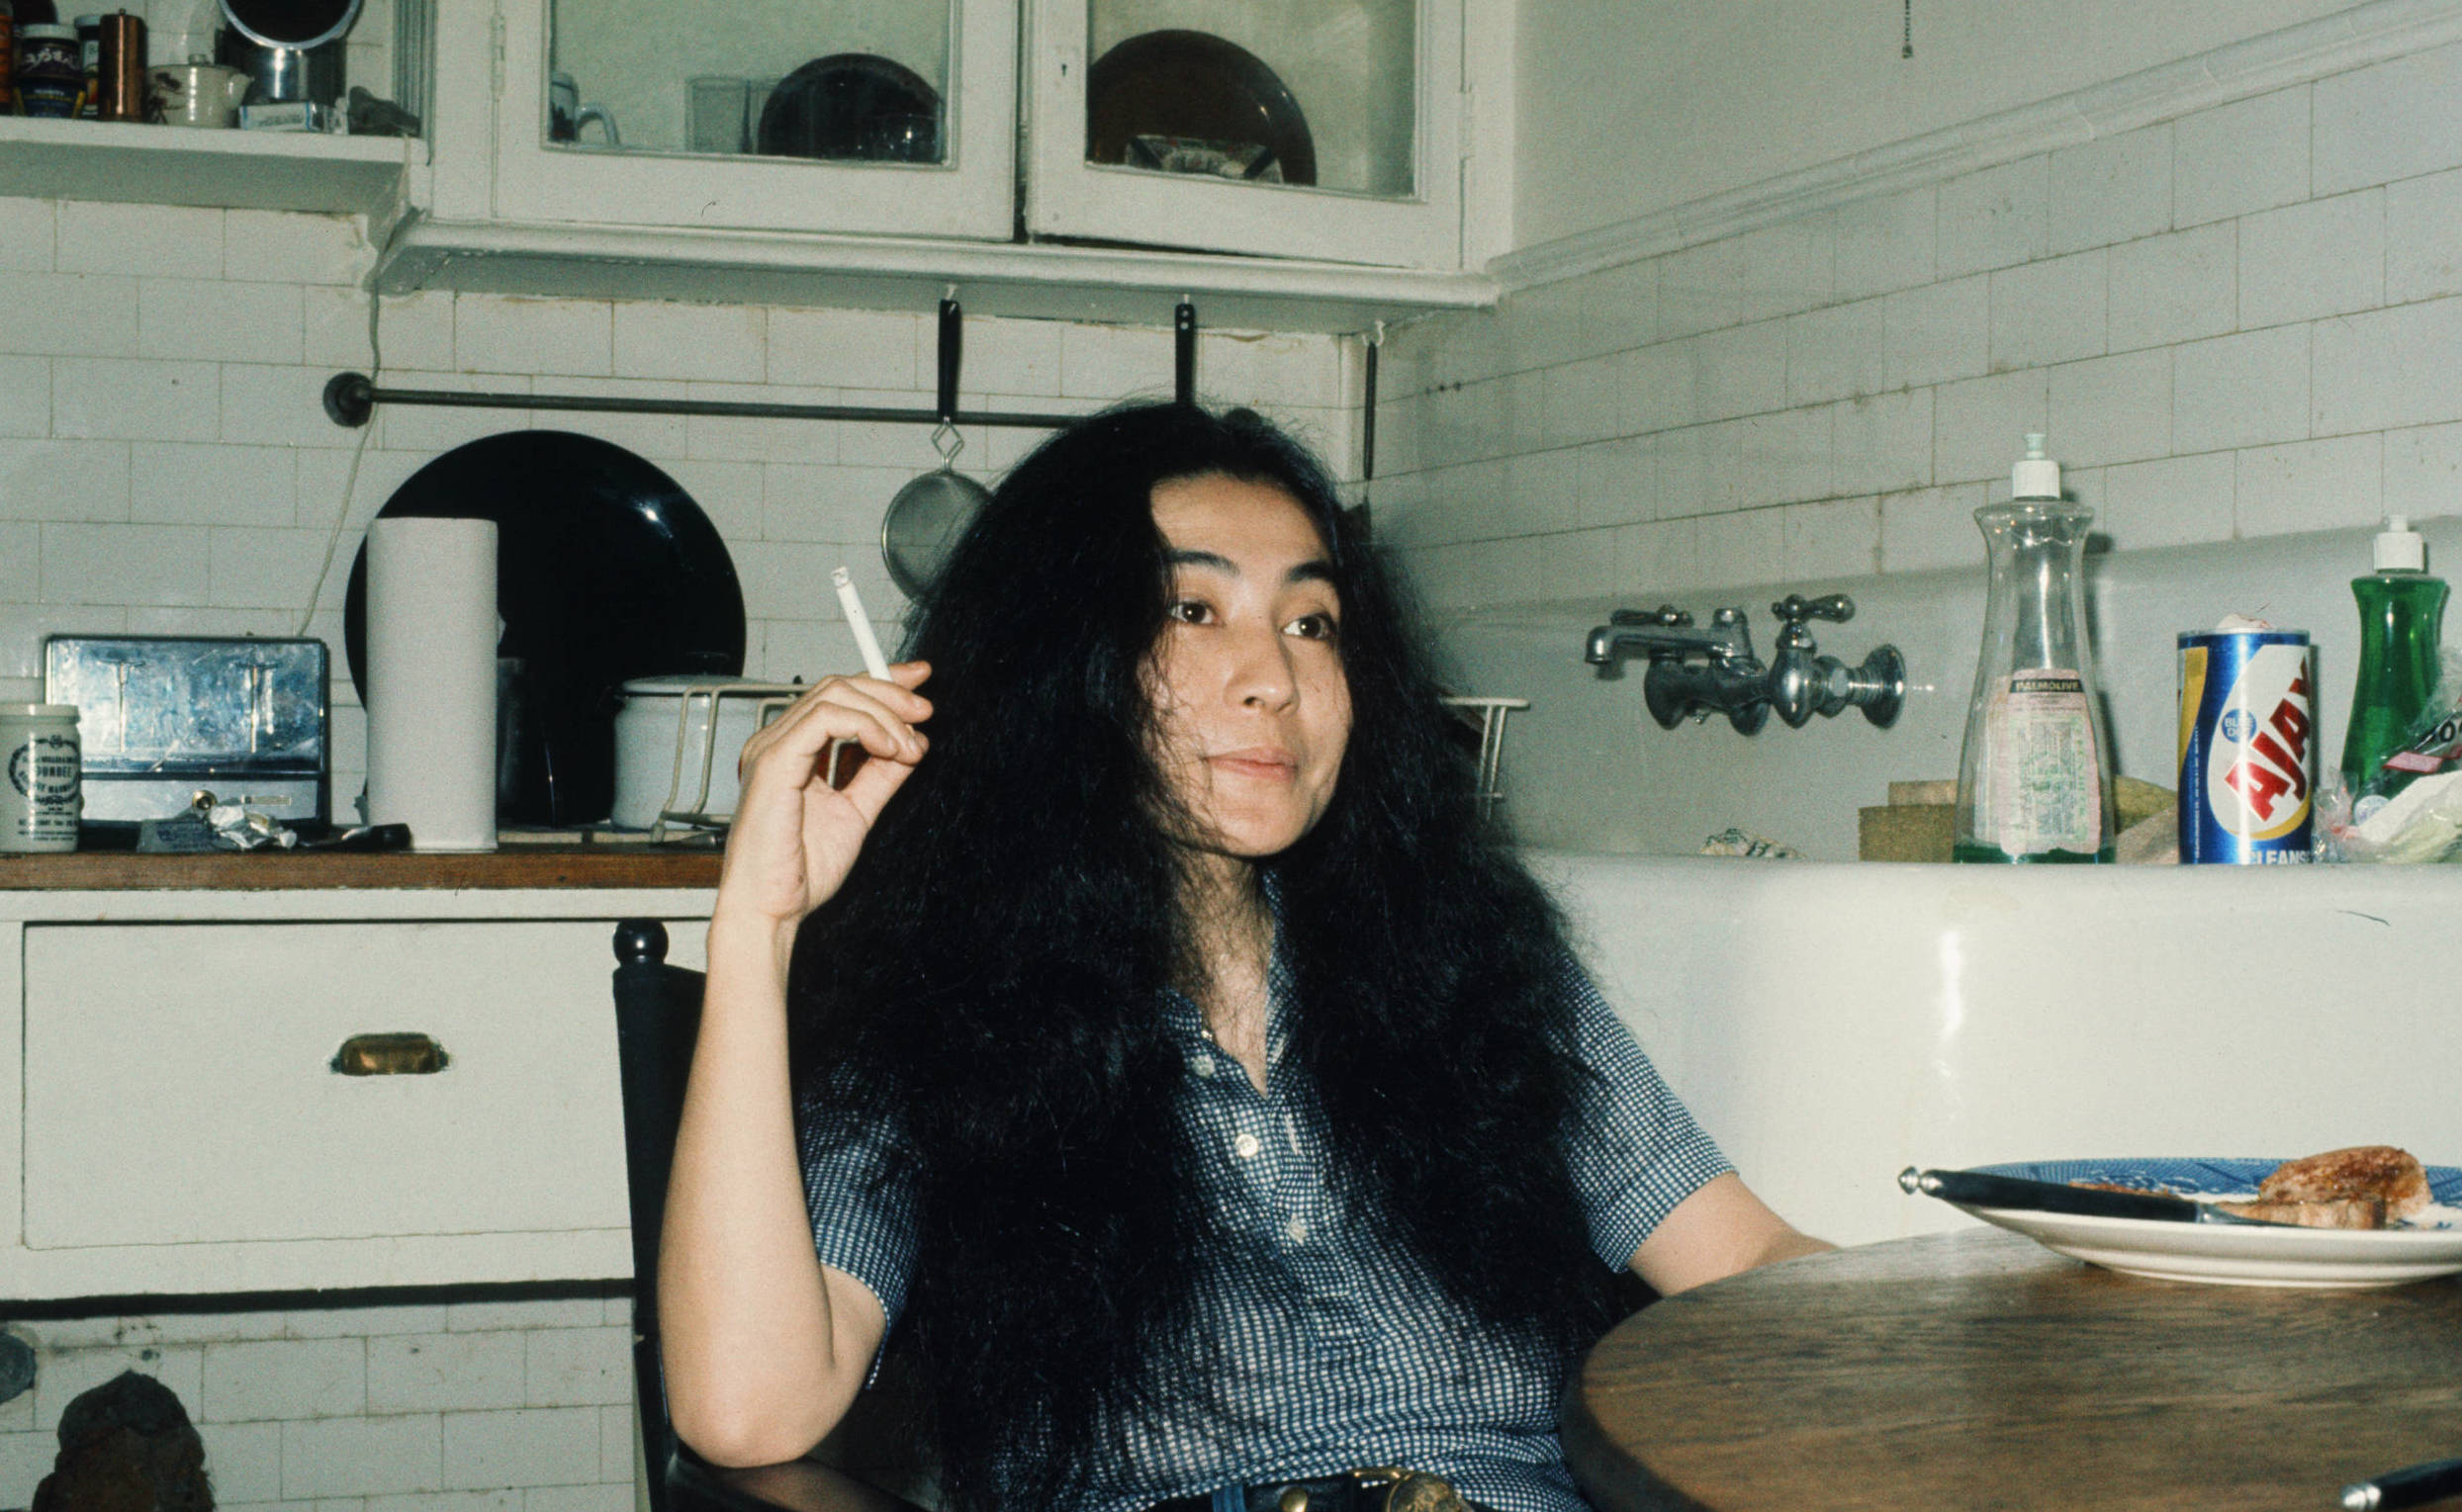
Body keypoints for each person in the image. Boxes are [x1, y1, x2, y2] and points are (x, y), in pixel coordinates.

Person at [658, 402, 1827, 1512]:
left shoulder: (1465, 968)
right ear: (1063, 662)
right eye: (1191, 611)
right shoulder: (945, 1013)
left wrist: (1976, 1334)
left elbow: (1751, 1261)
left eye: (1310, 622)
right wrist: (756, 930)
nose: (1273, 674)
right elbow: (746, 1411)